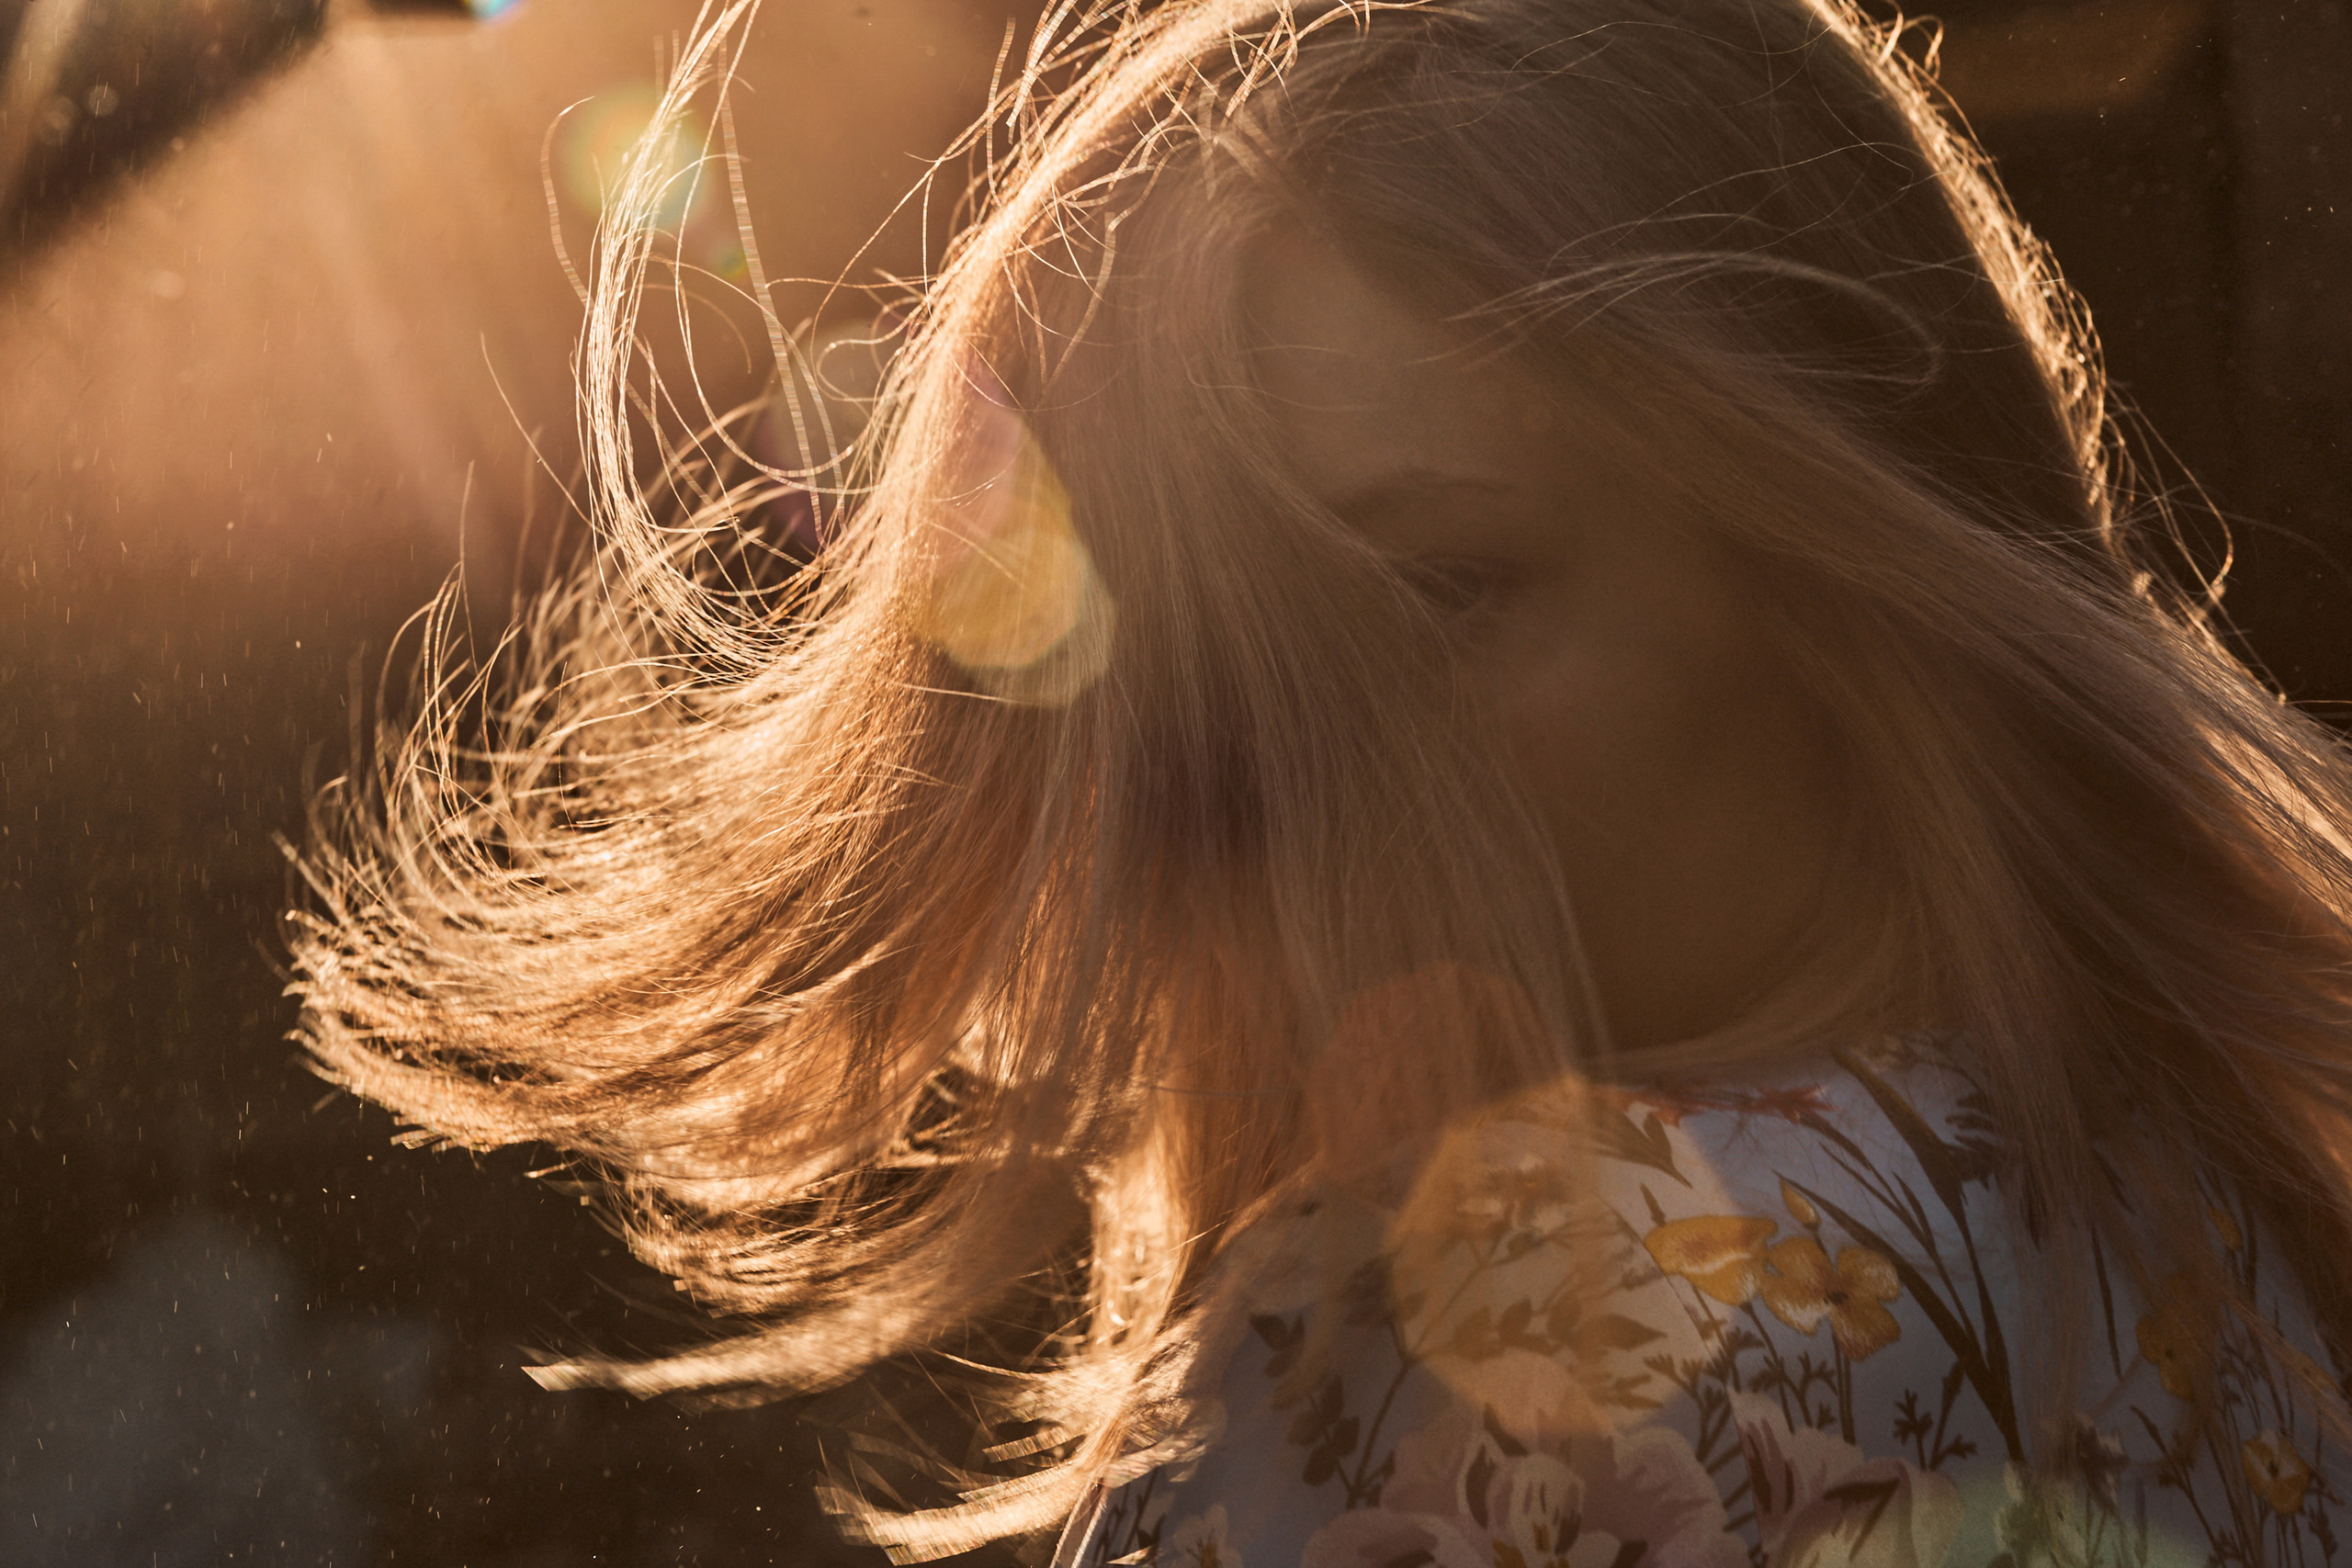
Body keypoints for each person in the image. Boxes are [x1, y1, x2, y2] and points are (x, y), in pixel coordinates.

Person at [287, 0, 2352, 1562]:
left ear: (1839, 556)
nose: (1297, 778)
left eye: (1445, 589)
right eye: (1214, 679)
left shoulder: (1503, 1345)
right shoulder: (2182, 1200)